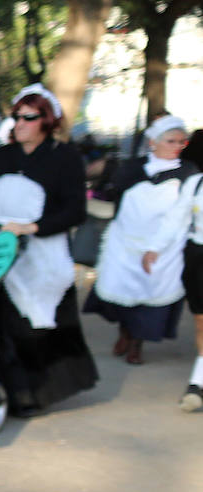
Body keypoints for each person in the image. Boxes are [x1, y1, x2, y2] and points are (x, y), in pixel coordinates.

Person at [0, 84, 99, 411]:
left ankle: (42, 389)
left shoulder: (64, 157)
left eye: (29, 117)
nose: (19, 123)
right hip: (6, 256)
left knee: (43, 328)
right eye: (16, 117)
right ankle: (15, 394)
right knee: (11, 328)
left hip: (45, 256)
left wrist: (33, 227)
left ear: (47, 120)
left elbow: (74, 210)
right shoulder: (2, 156)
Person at [83, 114, 197, 366]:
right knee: (123, 289)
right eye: (171, 141)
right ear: (153, 142)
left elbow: (182, 214)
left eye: (182, 142)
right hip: (125, 240)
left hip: (165, 245)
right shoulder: (131, 168)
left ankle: (137, 343)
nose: (177, 146)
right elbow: (113, 200)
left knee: (150, 293)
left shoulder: (189, 172)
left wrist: (157, 246)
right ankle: (125, 331)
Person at [149, 164, 203, 410]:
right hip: (198, 254)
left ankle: (196, 384)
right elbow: (176, 218)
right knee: (202, 322)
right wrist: (155, 247)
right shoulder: (196, 183)